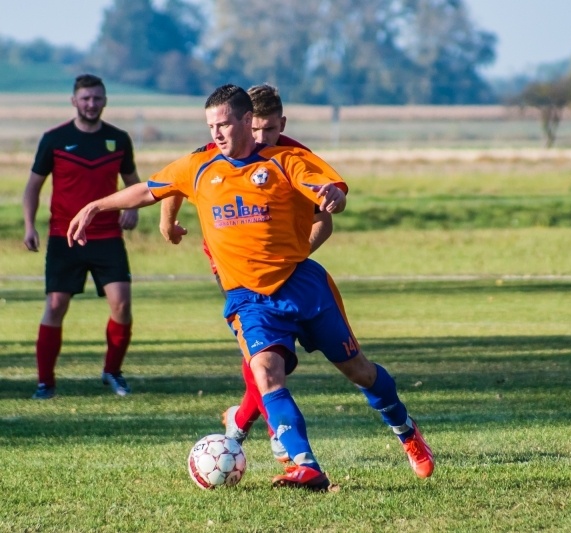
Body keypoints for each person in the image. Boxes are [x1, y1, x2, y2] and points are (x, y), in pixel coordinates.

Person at [67, 84, 435, 490]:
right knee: (266, 373)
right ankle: (305, 464)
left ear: (246, 121)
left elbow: (327, 193)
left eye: (224, 124)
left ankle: (405, 430)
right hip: (247, 297)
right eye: (211, 126)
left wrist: (332, 196)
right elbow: (151, 189)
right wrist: (96, 205)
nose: (217, 134)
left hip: (302, 286)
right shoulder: (200, 165)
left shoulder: (287, 159)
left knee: (359, 372)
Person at [159, 83, 332, 465]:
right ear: (245, 121)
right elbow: (173, 181)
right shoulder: (217, 150)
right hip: (229, 264)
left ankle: (240, 419)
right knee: (261, 346)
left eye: (269, 130)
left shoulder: (292, 156)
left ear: (279, 124)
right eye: (255, 130)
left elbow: (324, 220)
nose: (260, 138)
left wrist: (293, 256)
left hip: (285, 270)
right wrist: (167, 223)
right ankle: (273, 430)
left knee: (267, 353)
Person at [23, 74, 141, 400]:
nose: (92, 104)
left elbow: (134, 183)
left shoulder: (118, 139)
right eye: (86, 98)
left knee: (122, 304)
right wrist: (29, 226)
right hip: (65, 237)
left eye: (97, 98)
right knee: (56, 305)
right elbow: (33, 186)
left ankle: (112, 371)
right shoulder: (54, 139)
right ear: (74, 101)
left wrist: (133, 209)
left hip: (107, 237)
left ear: (105, 101)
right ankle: (45, 383)